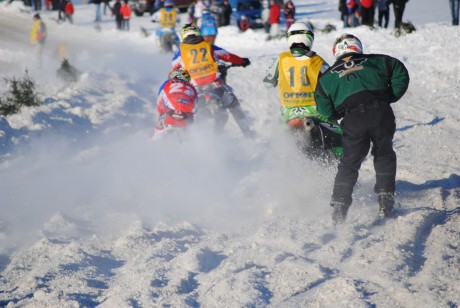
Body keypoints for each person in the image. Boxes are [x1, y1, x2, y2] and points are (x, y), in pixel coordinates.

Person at [314, 33, 410, 224]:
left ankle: (339, 208)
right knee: (383, 153)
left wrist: (338, 115)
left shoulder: (326, 77)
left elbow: (324, 109)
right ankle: (385, 199)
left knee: (349, 163)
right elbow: (399, 70)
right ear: (357, 47)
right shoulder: (377, 60)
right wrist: (389, 96)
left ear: (337, 52)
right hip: (380, 113)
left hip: (353, 119)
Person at [263, 22, 342, 158]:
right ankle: (343, 168)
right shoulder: (317, 61)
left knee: (279, 138)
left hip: (287, 113)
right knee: (339, 136)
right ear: (309, 38)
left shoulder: (281, 59)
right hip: (316, 111)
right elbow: (334, 82)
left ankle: (281, 164)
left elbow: (268, 82)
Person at [171, 24, 252, 136]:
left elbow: (174, 66)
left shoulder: (180, 51)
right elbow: (227, 56)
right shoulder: (208, 46)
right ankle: (248, 132)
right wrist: (242, 61)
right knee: (233, 103)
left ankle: (186, 135)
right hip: (214, 82)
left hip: (194, 86)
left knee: (188, 108)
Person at [152, 68, 198, 140]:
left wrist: (160, 115)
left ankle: (155, 141)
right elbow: (195, 105)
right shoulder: (192, 87)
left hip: (169, 113)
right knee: (189, 135)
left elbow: (160, 102)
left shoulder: (167, 83)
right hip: (185, 116)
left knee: (158, 134)